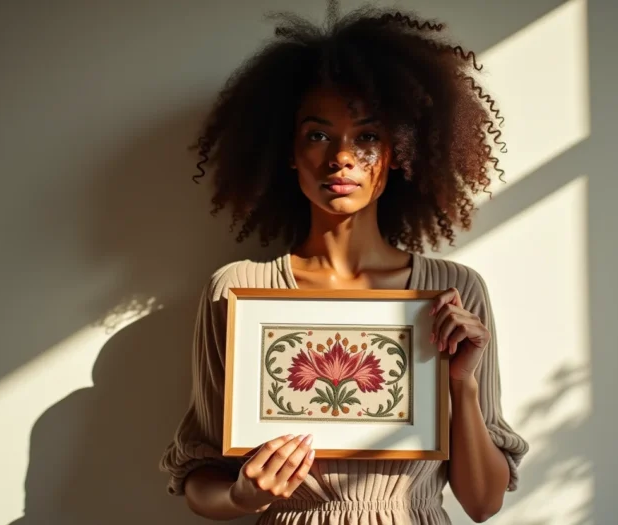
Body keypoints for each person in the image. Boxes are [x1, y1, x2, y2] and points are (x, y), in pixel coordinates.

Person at [160, 4, 528, 524]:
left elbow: (483, 503)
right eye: (317, 134)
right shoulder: (239, 290)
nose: (341, 158)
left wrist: (462, 384)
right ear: (288, 150)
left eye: (368, 137)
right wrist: (244, 495)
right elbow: (200, 474)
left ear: (399, 151)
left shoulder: (450, 290)